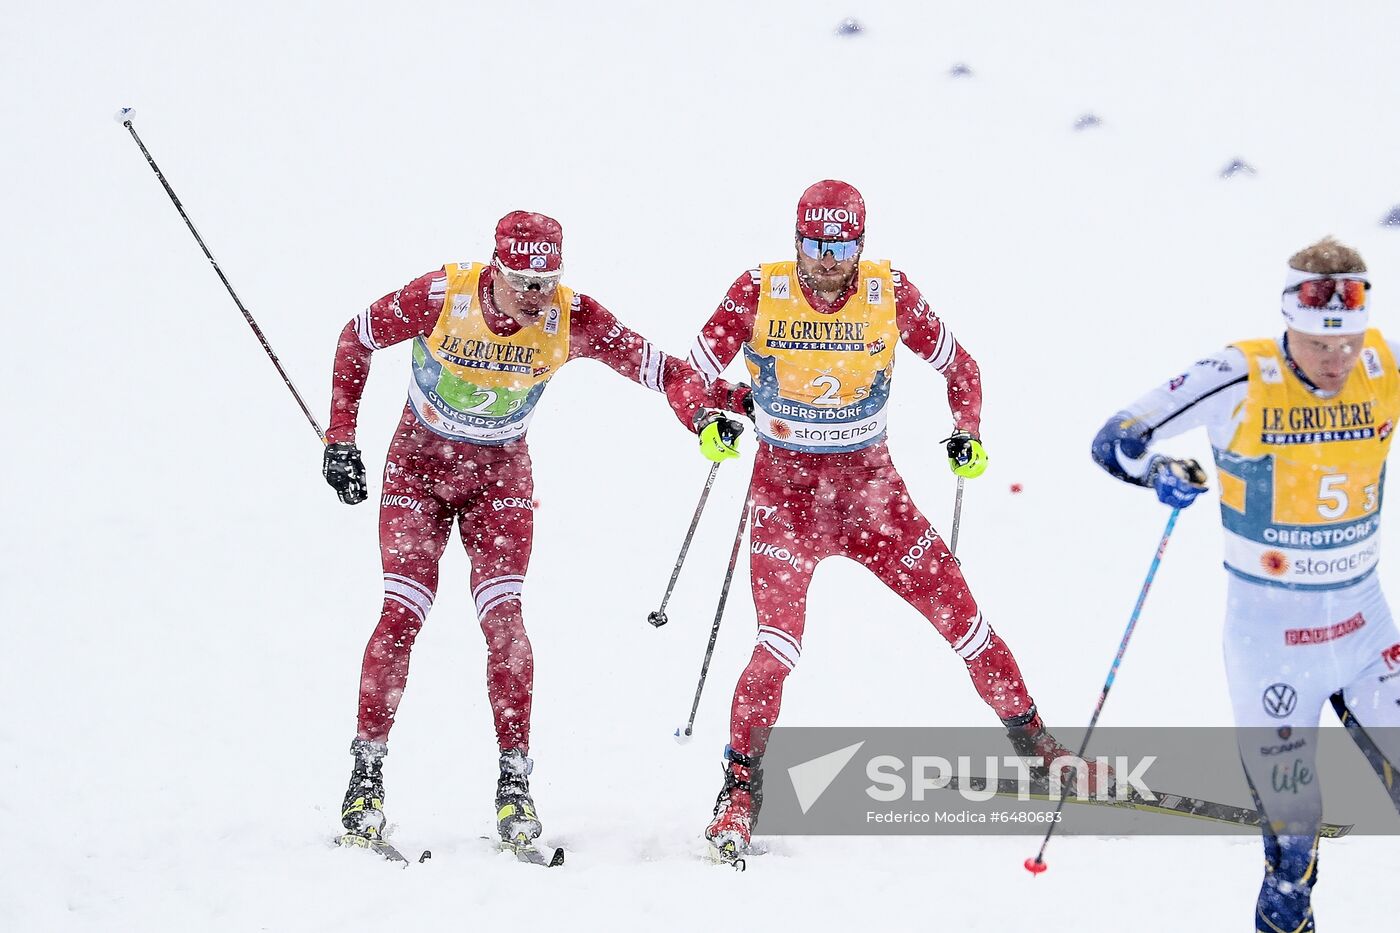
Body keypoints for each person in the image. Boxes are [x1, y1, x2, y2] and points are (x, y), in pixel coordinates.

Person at [664, 179, 1099, 857]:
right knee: (777, 647)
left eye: (841, 244)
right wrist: (709, 414)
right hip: (786, 500)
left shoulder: (888, 291)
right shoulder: (758, 289)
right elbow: (685, 373)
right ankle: (739, 793)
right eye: (814, 244)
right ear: (796, 240)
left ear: (860, 242)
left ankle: (1038, 747)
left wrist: (968, 430)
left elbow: (962, 366)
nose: (827, 259)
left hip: (874, 498)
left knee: (966, 620)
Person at [321, 210, 698, 853]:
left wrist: (714, 405)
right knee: (401, 615)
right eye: (521, 280)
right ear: (494, 269)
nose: (534, 295)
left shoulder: (571, 316)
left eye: (545, 281)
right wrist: (340, 439)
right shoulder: (441, 296)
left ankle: (515, 782)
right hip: (416, 474)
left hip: (500, 484)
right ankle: (366, 775)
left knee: (504, 621)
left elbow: (661, 368)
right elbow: (355, 338)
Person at [1091, 236, 1400, 932]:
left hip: (1366, 633)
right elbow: (1115, 438)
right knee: (1293, 850)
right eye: (1321, 347)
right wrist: (1158, 473)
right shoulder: (1239, 373)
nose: (1337, 361)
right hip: (1273, 652)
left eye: (1347, 342)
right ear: (1287, 320)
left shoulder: (1382, 361)